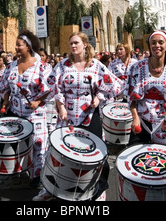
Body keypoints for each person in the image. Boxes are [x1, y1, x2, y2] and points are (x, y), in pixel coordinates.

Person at [33, 31, 124, 201]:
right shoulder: (62, 66)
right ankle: (50, 189)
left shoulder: (96, 65)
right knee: (58, 153)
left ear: (85, 45)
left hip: (90, 115)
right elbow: (54, 87)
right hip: (67, 116)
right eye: (71, 43)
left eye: (76, 43)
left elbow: (113, 85)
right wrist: (60, 107)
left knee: (97, 155)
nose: (73, 46)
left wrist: (99, 97)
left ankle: (97, 191)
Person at [2, 30, 55, 190]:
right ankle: (19, 168)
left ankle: (37, 175)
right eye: (16, 45)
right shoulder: (11, 66)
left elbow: (51, 88)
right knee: (19, 144)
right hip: (15, 112)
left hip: (35, 114)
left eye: (19, 45)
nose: (16, 48)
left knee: (38, 144)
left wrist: (38, 100)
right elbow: (6, 86)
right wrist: (5, 101)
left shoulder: (42, 67)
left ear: (29, 46)